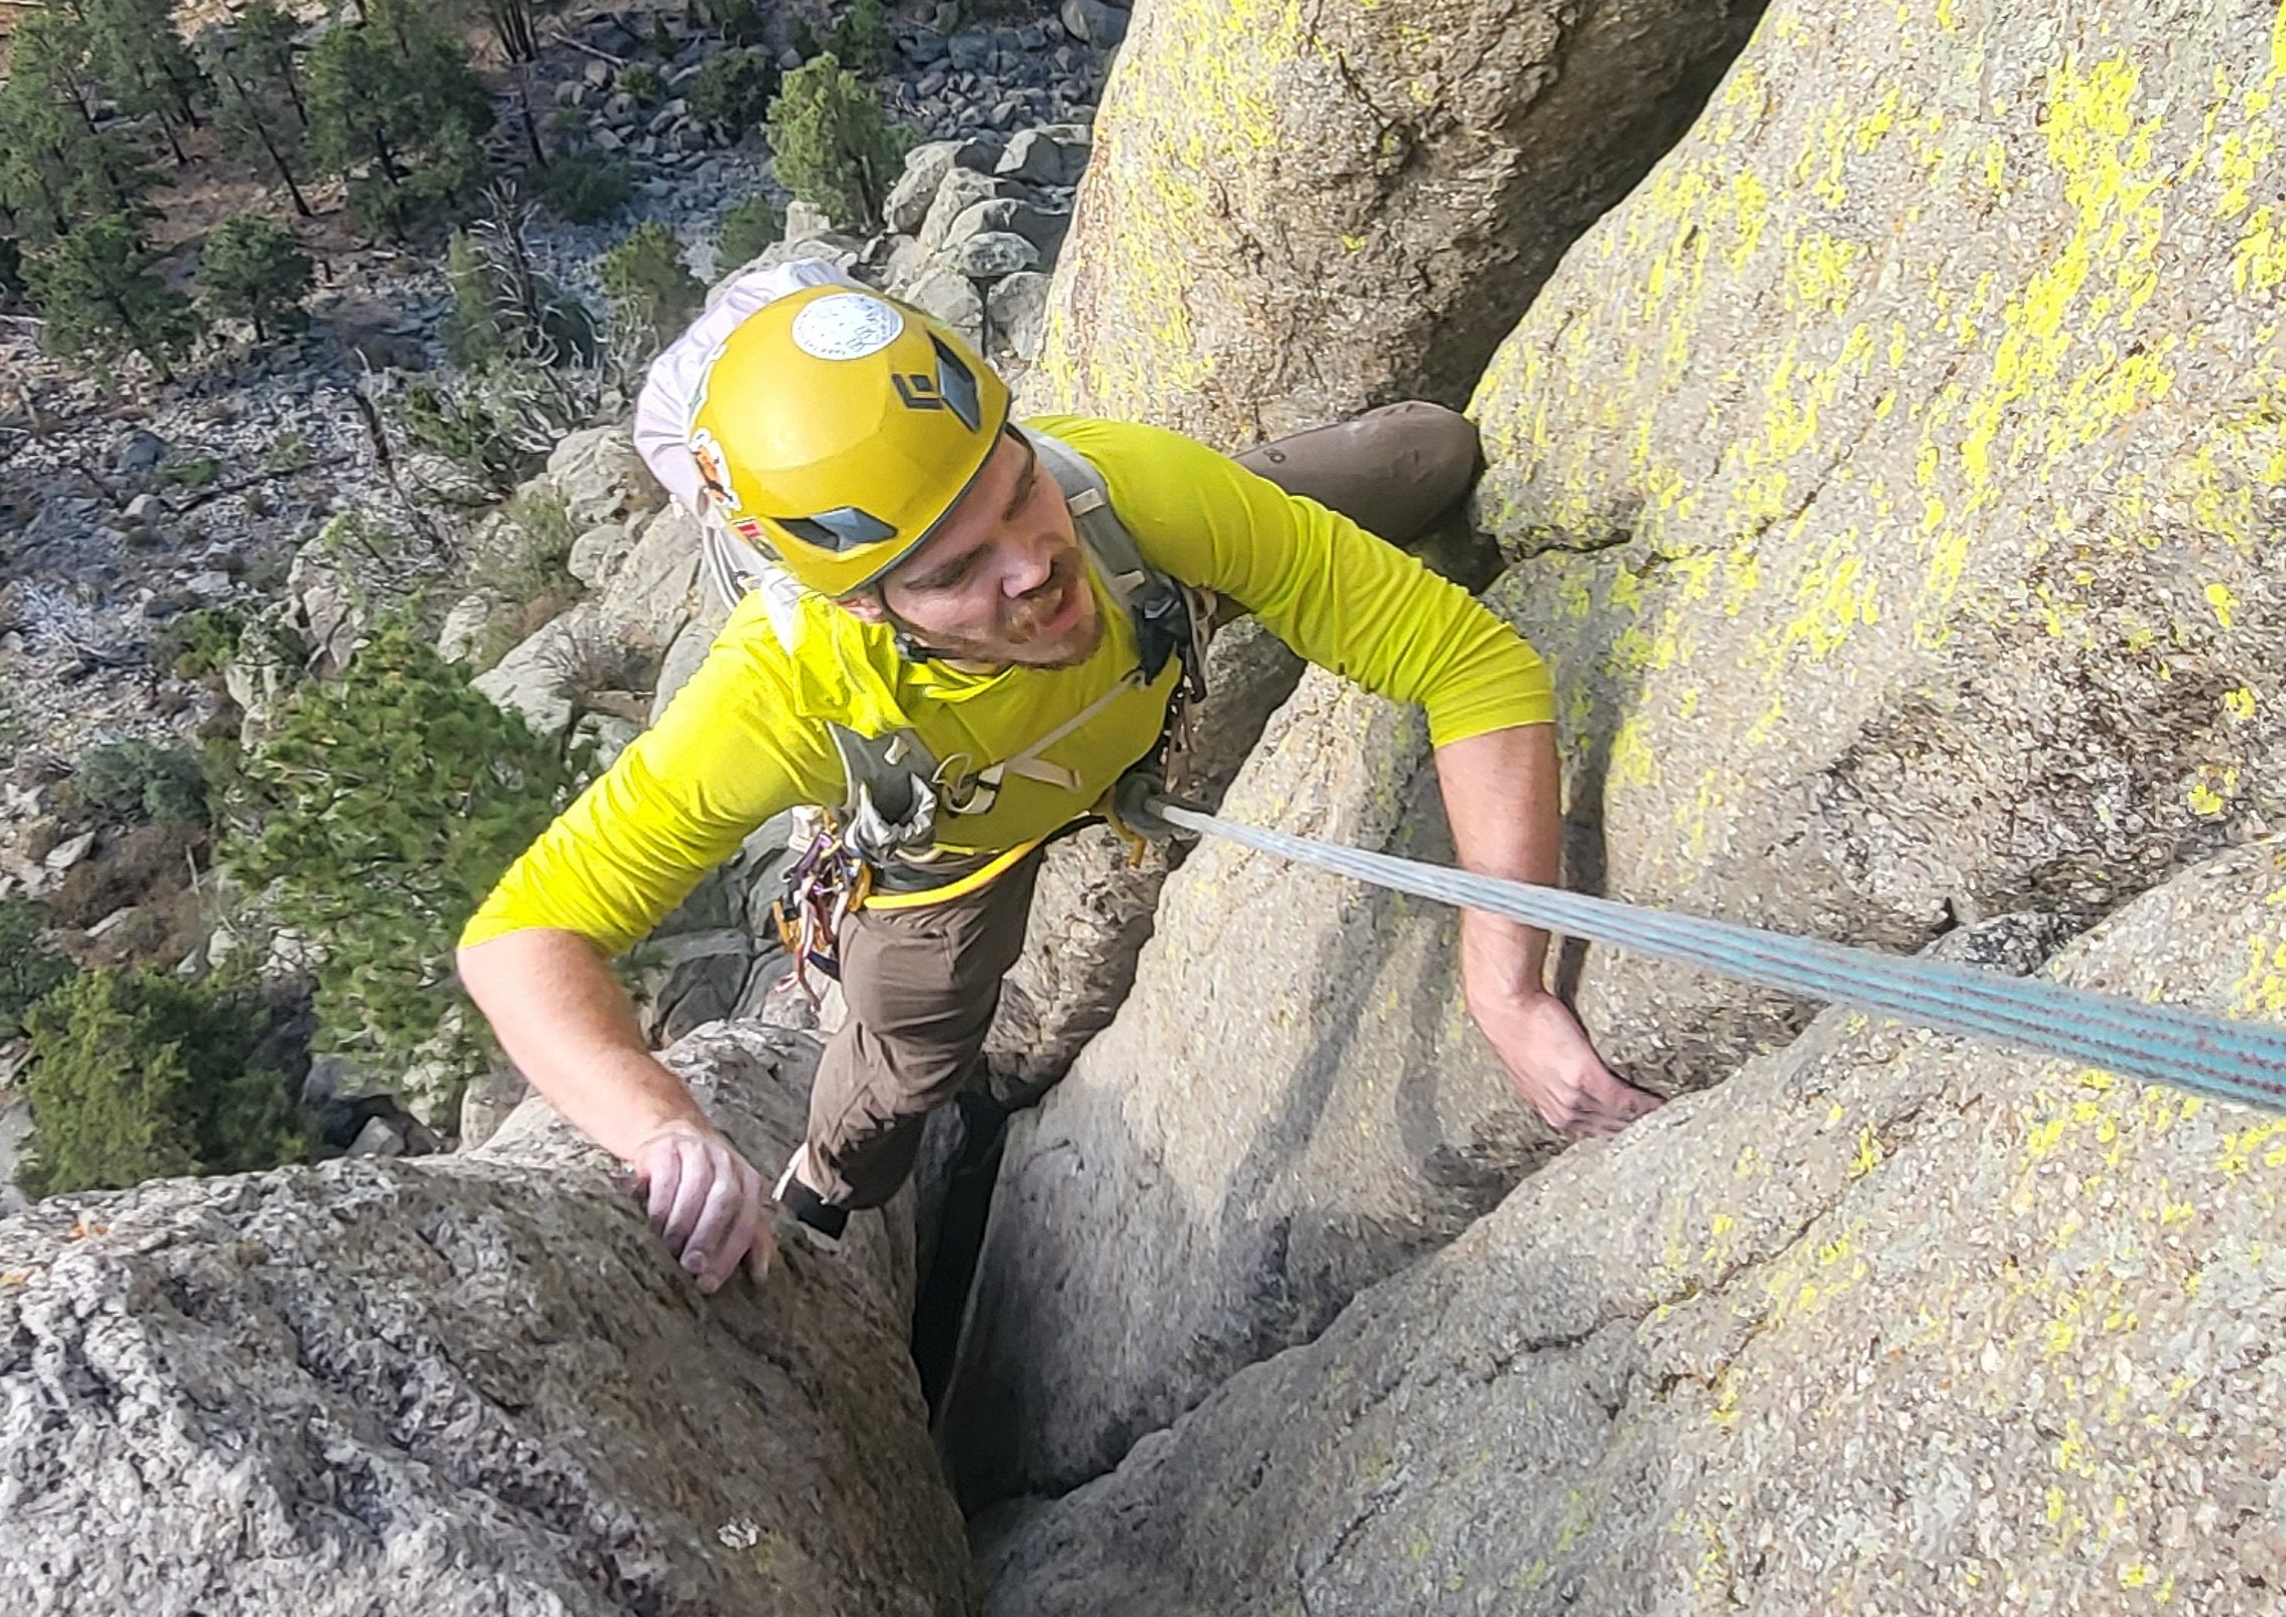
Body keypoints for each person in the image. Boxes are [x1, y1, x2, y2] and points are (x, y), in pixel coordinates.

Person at [458, 285, 1657, 1291]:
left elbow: (1473, 666)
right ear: (863, 600)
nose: (1033, 568)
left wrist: (1507, 987)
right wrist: (661, 1123)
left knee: (1424, 452)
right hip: (956, 844)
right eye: (957, 568)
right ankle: (835, 1183)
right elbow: (519, 938)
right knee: (911, 1068)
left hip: (1145, 595)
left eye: (1014, 491)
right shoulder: (778, 702)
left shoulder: (1120, 493)